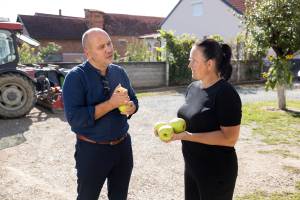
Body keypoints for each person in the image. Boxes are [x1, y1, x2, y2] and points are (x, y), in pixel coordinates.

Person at [62, 28, 139, 200]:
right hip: (92, 151)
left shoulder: (119, 72)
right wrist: (111, 104)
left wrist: (131, 107)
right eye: (101, 46)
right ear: (88, 53)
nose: (109, 49)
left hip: (122, 147)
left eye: (109, 43)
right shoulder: (75, 78)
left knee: (119, 196)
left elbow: (134, 99)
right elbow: (75, 119)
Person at [167, 39, 242, 200]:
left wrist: (188, 136)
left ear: (210, 64)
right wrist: (174, 129)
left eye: (194, 61)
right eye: (190, 60)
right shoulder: (192, 88)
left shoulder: (226, 93)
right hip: (193, 167)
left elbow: (230, 138)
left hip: (216, 172)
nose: (189, 65)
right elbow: (194, 120)